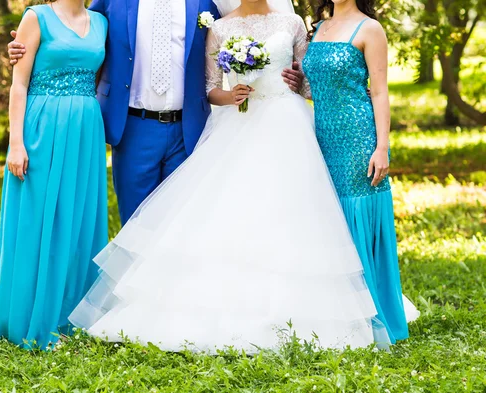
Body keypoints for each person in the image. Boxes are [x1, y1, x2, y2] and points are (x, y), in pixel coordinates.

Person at [67, 0, 393, 353]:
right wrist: (231, 94)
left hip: (288, 126)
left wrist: (299, 81)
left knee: (293, 214)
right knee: (227, 214)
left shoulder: (293, 22)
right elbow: (209, 87)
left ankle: (295, 305)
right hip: (231, 126)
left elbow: (309, 82)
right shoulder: (219, 25)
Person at [7, 0, 306, 225]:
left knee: (183, 224)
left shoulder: (205, 4)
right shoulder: (112, 1)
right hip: (134, 127)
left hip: (188, 130)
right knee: (135, 222)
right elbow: (77, 29)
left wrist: (289, 69)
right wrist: (26, 46)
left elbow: (245, 30)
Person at [0, 0, 108, 350]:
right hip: (42, 129)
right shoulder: (35, 17)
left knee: (78, 221)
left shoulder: (101, 21)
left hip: (85, 133)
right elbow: (19, 84)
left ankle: (72, 319)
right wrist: (16, 143)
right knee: (39, 221)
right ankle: (27, 319)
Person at [302, 0, 420, 344]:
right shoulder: (319, 28)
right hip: (321, 137)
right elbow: (317, 86)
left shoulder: (370, 28)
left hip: (357, 137)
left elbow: (381, 91)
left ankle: (370, 316)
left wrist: (382, 146)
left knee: (356, 215)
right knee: (331, 220)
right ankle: (338, 314)